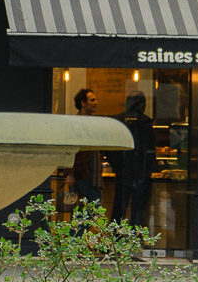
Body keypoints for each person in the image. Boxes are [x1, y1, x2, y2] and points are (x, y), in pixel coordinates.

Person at [109, 93, 157, 228]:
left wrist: (116, 166)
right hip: (139, 174)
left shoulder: (118, 121)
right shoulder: (146, 123)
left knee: (119, 207)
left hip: (123, 172)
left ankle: (115, 237)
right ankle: (134, 237)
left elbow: (111, 149)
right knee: (138, 209)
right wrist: (148, 171)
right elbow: (150, 150)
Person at [67, 88, 103, 208]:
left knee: (91, 211)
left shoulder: (93, 122)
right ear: (83, 103)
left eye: (96, 100)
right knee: (89, 211)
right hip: (82, 175)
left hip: (93, 176)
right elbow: (70, 149)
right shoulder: (76, 124)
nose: (96, 102)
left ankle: (77, 228)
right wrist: (70, 173)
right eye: (92, 100)